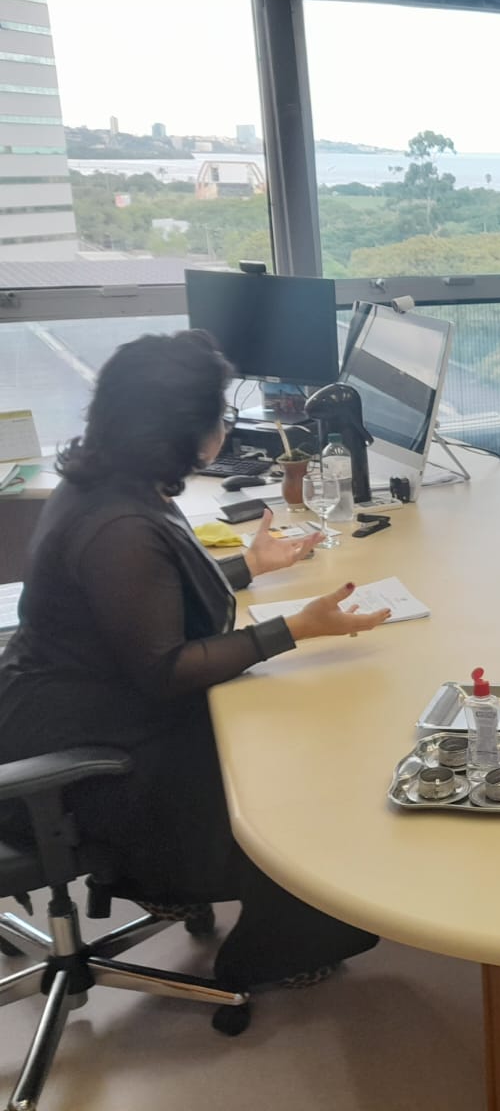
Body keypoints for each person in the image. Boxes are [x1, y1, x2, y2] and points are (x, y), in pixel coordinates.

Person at [0, 331, 391, 998]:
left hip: (73, 700)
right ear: (180, 431)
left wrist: (248, 566)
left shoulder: (112, 484)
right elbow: (166, 669)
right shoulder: (120, 525)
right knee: (289, 766)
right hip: (80, 742)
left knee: (274, 721)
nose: (225, 426)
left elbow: (139, 603)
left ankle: (174, 883)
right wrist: (295, 628)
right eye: (218, 414)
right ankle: (272, 949)